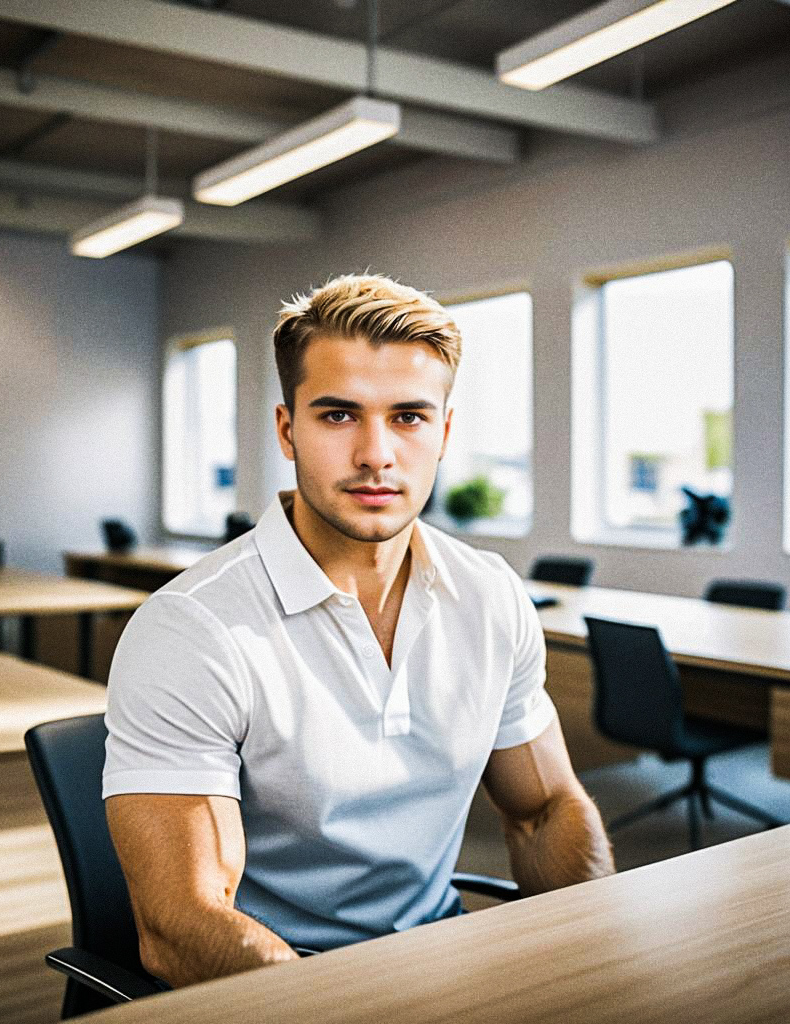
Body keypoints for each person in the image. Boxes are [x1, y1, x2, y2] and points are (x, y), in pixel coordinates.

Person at [103, 273, 614, 989]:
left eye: (408, 416)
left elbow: (545, 812)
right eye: (339, 416)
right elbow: (179, 924)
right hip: (277, 989)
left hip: (442, 965)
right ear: (288, 430)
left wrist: (599, 960)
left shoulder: (492, 596)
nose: (377, 453)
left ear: (444, 431)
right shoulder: (193, 629)